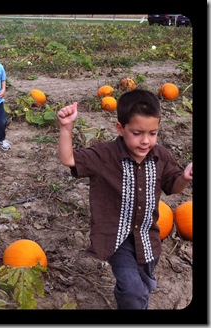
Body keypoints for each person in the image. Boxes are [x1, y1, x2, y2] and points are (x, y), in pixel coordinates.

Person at [56, 89, 193, 309]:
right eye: (137, 133)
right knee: (133, 290)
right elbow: (68, 158)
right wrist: (66, 127)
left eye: (153, 133)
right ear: (120, 129)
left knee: (145, 284)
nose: (146, 141)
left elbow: (172, 186)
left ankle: (135, 299)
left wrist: (185, 177)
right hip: (116, 238)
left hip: (148, 237)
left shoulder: (161, 156)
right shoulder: (105, 155)